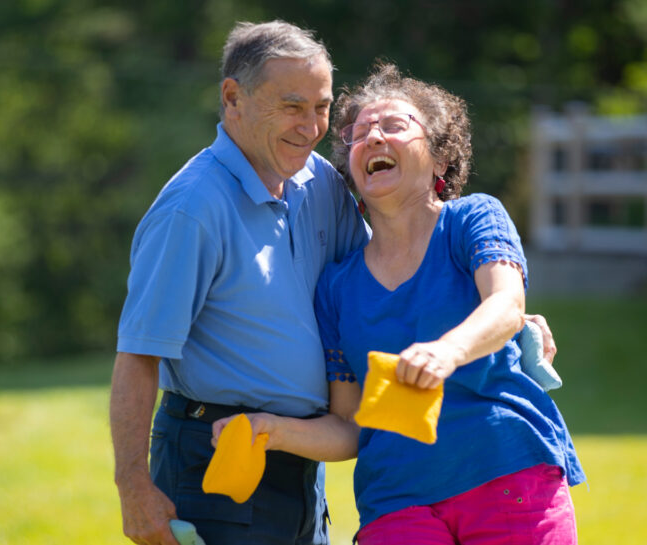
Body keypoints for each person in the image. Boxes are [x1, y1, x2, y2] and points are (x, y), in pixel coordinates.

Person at [111, 20, 559, 545]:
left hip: (301, 457)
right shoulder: (192, 209)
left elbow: (399, 271)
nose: (311, 126)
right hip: (215, 449)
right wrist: (132, 485)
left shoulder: (317, 181)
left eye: (322, 108)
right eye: (292, 106)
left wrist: (504, 314)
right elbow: (139, 354)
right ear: (233, 98)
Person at [212, 63, 585, 545]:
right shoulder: (336, 286)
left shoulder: (472, 219)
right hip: (395, 503)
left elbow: (506, 305)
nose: (373, 138)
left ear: (440, 160)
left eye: (394, 126)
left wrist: (445, 352)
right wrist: (270, 429)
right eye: (360, 133)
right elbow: (349, 426)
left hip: (506, 472)